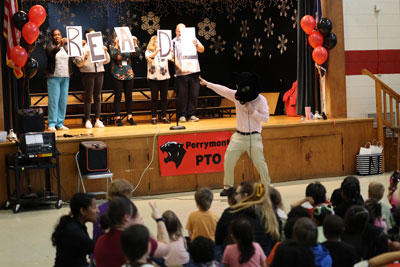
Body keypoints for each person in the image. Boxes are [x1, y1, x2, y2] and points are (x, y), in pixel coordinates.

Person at [199, 73, 271, 196]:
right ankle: (228, 187)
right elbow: (223, 90)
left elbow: (265, 119)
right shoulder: (237, 96)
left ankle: (268, 187)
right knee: (228, 160)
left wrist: (252, 111)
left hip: (254, 137)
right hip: (238, 136)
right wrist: (207, 84)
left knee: (260, 163)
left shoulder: (261, 100)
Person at [216, 182, 280, 257]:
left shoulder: (230, 212)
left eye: (237, 194)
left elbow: (218, 240)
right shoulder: (272, 215)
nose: (235, 197)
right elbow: (275, 242)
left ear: (245, 196)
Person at [74, 28, 110, 129]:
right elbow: (78, 63)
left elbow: (107, 61)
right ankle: (87, 120)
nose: (94, 37)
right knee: (88, 97)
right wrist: (85, 57)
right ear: (86, 36)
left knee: (98, 96)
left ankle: (98, 119)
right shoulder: (82, 48)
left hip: (99, 72)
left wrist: (106, 52)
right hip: (87, 73)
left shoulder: (99, 47)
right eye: (91, 35)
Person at [51, 193, 99, 267]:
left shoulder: (74, 223)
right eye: (94, 207)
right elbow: (96, 248)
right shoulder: (75, 231)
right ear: (82, 211)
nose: (98, 211)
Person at [94, 197, 139, 267]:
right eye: (136, 216)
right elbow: (161, 250)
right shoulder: (132, 239)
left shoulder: (100, 240)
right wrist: (159, 220)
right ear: (126, 218)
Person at [173, 23, 204, 123]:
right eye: (178, 31)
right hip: (181, 73)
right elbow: (174, 58)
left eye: (181, 31)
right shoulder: (174, 42)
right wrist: (181, 68)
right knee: (182, 95)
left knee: (194, 94)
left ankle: (192, 114)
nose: (180, 33)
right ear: (175, 31)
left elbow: (202, 50)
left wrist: (197, 44)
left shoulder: (193, 38)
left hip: (194, 70)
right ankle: (182, 115)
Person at [110, 31, 139, 126]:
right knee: (118, 95)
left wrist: (134, 44)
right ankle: (117, 117)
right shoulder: (112, 45)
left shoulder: (128, 45)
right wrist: (117, 45)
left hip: (128, 72)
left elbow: (135, 54)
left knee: (129, 96)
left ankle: (129, 116)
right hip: (117, 73)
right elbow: (115, 56)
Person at [46, 28, 73, 131]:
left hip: (65, 76)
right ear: (52, 37)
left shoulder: (66, 47)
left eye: (58, 34)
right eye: (54, 35)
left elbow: (74, 55)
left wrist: (80, 45)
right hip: (54, 77)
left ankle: (60, 123)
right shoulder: (50, 46)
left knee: (63, 101)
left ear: (61, 35)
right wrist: (60, 46)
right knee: (54, 100)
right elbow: (51, 53)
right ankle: (52, 123)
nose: (57, 36)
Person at [145, 35, 171, 125]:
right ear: (153, 43)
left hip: (165, 77)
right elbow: (150, 58)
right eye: (157, 42)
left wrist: (171, 52)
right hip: (154, 78)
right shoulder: (148, 51)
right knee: (154, 98)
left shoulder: (165, 52)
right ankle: (154, 117)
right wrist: (156, 52)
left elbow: (172, 58)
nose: (158, 43)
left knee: (164, 98)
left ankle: (163, 116)